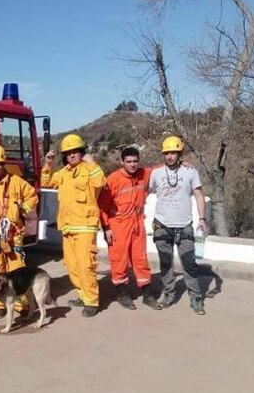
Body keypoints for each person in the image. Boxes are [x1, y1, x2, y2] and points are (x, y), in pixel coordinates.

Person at [41, 133, 106, 317]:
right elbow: (45, 182)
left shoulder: (90, 170)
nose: (72, 155)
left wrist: (91, 162)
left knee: (86, 266)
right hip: (68, 226)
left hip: (85, 226)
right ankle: (83, 295)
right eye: (68, 153)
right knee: (71, 265)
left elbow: (100, 181)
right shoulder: (63, 174)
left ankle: (92, 301)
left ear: (82, 152)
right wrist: (48, 163)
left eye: (75, 152)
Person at [0, 144, 38, 319]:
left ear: (4, 164)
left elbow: (32, 195)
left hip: (12, 237)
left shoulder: (16, 182)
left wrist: (24, 208)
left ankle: (21, 303)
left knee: (18, 271)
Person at [148, 135, 209, 315]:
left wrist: (202, 219)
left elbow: (198, 195)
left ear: (179, 153)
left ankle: (196, 298)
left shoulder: (190, 171)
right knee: (166, 264)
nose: (170, 156)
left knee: (189, 264)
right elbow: (143, 189)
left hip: (184, 226)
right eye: (166, 153)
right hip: (162, 225)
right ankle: (169, 294)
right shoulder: (156, 173)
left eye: (173, 153)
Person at [98, 146, 159, 310]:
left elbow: (157, 168)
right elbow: (103, 206)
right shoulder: (113, 179)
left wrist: (180, 163)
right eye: (129, 161)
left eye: (135, 161)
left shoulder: (143, 174)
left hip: (137, 223)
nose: (132, 164)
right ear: (122, 162)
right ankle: (122, 294)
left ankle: (147, 294)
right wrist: (106, 228)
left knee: (141, 259)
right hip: (118, 225)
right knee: (119, 260)